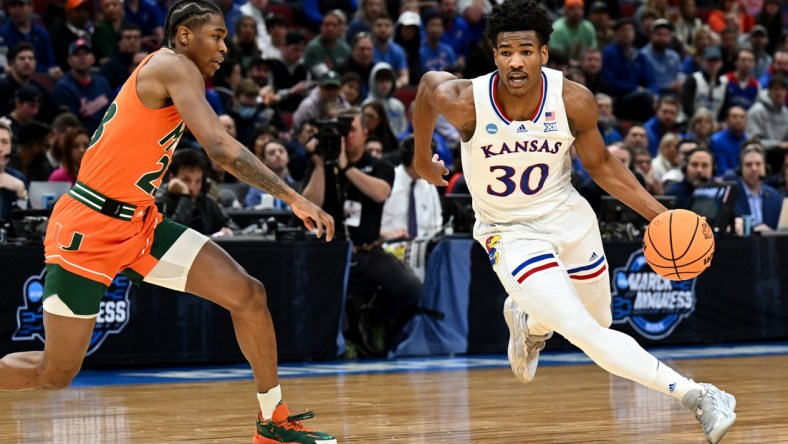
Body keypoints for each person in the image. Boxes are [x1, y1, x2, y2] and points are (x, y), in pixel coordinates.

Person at [0, 2, 337, 444]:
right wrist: (292, 197)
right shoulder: (172, 65)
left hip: (140, 223)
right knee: (55, 373)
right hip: (90, 226)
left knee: (249, 294)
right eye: (215, 35)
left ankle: (273, 420)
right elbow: (219, 146)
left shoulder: (180, 75)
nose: (224, 45)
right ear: (183, 35)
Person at [411, 1, 737, 443]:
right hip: (509, 232)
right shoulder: (467, 101)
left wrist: (663, 217)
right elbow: (428, 88)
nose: (515, 61)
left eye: (526, 50)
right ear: (494, 56)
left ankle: (530, 322)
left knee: (599, 321)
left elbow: (602, 165)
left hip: (570, 219)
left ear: (544, 54)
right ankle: (699, 396)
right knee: (587, 335)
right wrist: (421, 159)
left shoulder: (572, 100)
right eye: (505, 51)